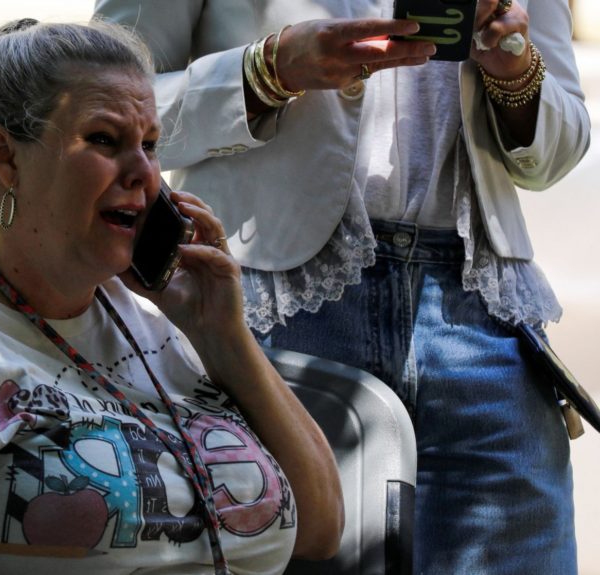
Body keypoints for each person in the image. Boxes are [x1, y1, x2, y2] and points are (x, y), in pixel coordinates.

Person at [0, 18, 344, 575]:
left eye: (150, 145)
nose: (145, 175)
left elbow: (321, 529)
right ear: (5, 156)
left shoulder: (149, 320)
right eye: (104, 140)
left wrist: (222, 336)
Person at [94, 0, 590, 573]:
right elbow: (103, 103)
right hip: (280, 307)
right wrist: (267, 72)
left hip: (479, 311)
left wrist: (514, 67)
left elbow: (558, 152)